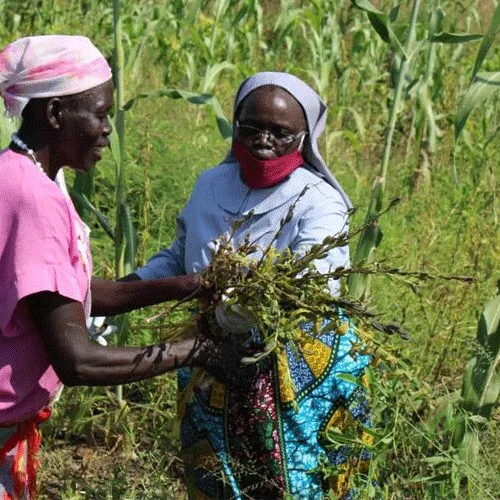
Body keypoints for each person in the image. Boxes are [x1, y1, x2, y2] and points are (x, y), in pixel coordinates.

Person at [0, 35, 243, 499]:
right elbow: (77, 359)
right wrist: (195, 351)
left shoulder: (18, 171)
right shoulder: (32, 200)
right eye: (101, 114)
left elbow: (72, 294)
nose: (109, 130)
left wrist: (189, 285)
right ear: (55, 114)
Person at [129, 72, 373, 498]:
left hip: (293, 364)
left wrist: (247, 297)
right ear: (235, 126)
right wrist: (126, 289)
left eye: (281, 133)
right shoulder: (210, 185)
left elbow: (317, 285)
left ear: (303, 139)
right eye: (252, 128)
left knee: (292, 481)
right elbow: (179, 255)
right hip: (210, 354)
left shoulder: (319, 201)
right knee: (216, 476)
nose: (264, 140)